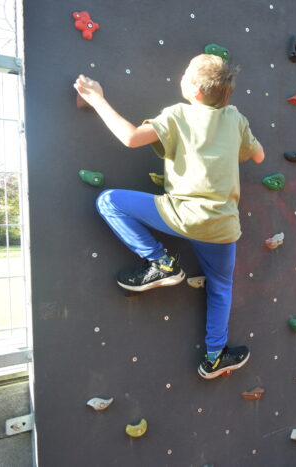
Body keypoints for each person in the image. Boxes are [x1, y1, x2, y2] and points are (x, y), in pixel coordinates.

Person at [74, 54, 265, 379]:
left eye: (186, 73)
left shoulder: (178, 114)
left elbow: (131, 138)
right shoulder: (235, 118)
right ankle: (215, 358)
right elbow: (258, 156)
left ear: (195, 90)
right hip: (222, 226)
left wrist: (97, 99)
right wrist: (232, 130)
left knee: (109, 202)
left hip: (182, 216)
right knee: (221, 287)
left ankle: (161, 263)